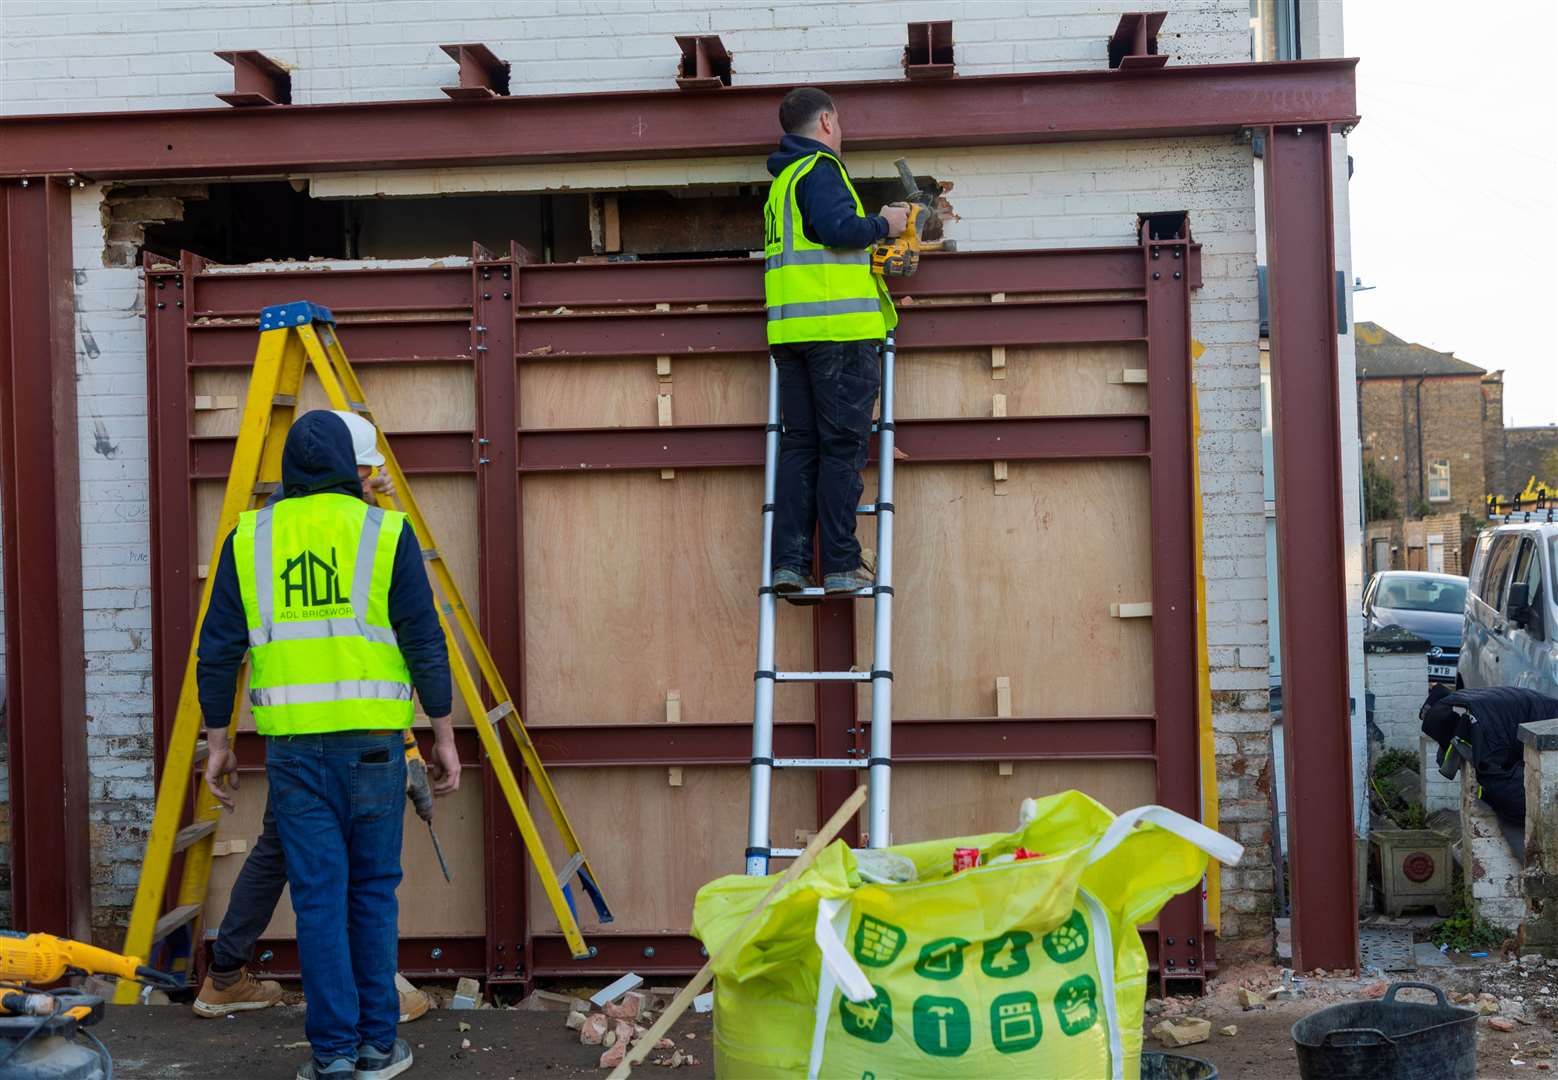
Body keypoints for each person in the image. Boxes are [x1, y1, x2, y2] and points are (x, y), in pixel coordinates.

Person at [197, 410, 459, 1080]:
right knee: (372, 894)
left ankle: (333, 1057)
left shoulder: (249, 537)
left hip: (294, 754)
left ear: (292, 469)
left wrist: (218, 741)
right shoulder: (385, 532)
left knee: (318, 896)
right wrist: (443, 732)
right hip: (374, 751)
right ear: (349, 464)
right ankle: (377, 1047)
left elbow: (219, 650)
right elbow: (424, 638)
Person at [764, 86, 907, 595]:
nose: (841, 133)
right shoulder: (820, 169)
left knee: (802, 447)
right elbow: (837, 229)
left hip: (793, 336)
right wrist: (884, 224)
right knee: (843, 448)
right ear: (826, 122)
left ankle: (790, 564)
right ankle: (842, 565)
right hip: (839, 335)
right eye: (840, 124)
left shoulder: (783, 183)